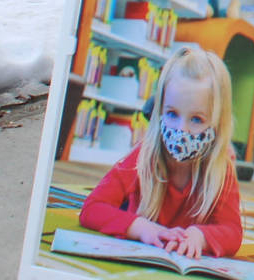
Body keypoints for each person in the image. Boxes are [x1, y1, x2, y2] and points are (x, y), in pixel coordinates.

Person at [77, 45, 243, 259]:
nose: (180, 130)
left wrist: (199, 237)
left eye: (196, 119)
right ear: (159, 111)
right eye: (172, 114)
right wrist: (140, 227)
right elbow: (92, 209)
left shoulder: (220, 171)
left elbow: (233, 232)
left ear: (217, 124)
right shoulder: (142, 157)